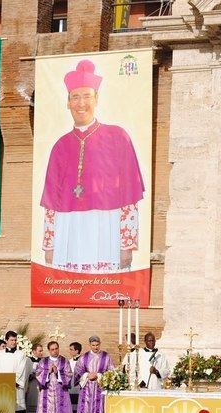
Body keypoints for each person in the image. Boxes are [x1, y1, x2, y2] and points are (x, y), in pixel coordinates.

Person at [39, 58, 145, 273]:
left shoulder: (118, 137)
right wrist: (49, 246)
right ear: (68, 102)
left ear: (97, 99)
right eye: (75, 97)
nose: (81, 103)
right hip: (68, 231)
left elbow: (129, 195)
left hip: (107, 230)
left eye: (87, 96)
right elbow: (51, 202)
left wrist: (127, 243)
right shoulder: (59, 146)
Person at [75, 335, 114, 413]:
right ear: (89, 345)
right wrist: (87, 375)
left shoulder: (106, 357)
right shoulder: (84, 357)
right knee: (85, 412)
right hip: (86, 389)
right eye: (93, 345)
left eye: (97, 345)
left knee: (98, 412)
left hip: (99, 389)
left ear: (100, 344)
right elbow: (77, 371)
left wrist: (98, 375)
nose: (95, 347)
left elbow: (111, 371)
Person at [33, 341, 74, 413]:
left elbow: (69, 374)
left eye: (56, 349)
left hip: (61, 392)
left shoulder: (64, 361)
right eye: (52, 349)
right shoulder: (43, 361)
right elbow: (38, 374)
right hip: (47, 392)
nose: (55, 351)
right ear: (49, 350)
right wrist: (47, 372)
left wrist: (58, 372)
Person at [24, 344, 44, 413]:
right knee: (30, 411)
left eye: (41, 351)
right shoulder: (28, 361)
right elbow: (25, 374)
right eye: (39, 351)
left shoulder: (44, 361)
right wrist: (32, 376)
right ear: (34, 351)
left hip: (41, 388)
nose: (41, 353)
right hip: (31, 387)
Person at [68, 342, 82, 413]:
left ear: (77, 351)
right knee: (71, 411)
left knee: (78, 410)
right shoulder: (68, 361)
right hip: (70, 389)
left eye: (71, 349)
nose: (70, 351)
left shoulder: (83, 361)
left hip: (79, 389)